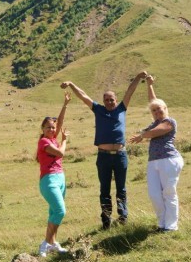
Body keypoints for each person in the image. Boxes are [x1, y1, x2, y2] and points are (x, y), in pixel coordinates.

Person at [61, 71, 148, 229]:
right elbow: (83, 96)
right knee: (105, 189)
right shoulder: (98, 110)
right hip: (104, 157)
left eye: (112, 99)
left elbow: (130, 91)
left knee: (121, 188)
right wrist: (71, 84)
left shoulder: (122, 108)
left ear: (116, 100)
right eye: (106, 100)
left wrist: (138, 77)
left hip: (121, 155)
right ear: (103, 101)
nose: (109, 102)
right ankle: (106, 220)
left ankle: (123, 217)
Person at [129, 74, 184, 232]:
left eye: (160, 109)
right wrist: (149, 85)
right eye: (154, 111)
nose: (157, 112)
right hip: (153, 161)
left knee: (168, 192)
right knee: (154, 194)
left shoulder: (169, 122)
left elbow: (156, 132)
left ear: (166, 109)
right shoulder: (155, 122)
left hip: (169, 159)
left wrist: (142, 135)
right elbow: (153, 102)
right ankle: (161, 224)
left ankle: (171, 226)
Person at [37, 91, 71, 257]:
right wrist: (64, 140)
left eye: (53, 127)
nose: (51, 129)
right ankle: (45, 244)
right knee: (60, 211)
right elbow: (60, 153)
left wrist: (65, 104)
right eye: (48, 127)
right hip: (48, 179)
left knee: (53, 212)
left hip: (60, 178)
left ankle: (52, 242)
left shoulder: (52, 137)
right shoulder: (44, 141)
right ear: (42, 129)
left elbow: (60, 121)